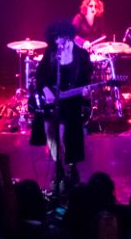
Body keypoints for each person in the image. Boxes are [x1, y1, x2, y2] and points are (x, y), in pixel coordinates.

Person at [34, 21, 93, 190]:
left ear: (67, 37)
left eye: (59, 38)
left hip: (71, 102)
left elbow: (86, 81)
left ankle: (70, 167)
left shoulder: (82, 56)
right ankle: (59, 166)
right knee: (49, 132)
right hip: (52, 102)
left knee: (64, 136)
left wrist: (86, 91)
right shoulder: (51, 52)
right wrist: (46, 90)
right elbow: (40, 74)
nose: (57, 42)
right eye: (55, 39)